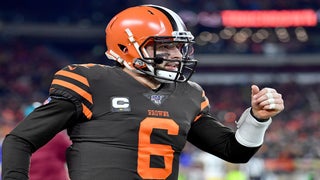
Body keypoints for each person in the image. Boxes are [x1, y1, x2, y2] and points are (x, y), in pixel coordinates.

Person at [1, 4, 284, 180]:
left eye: (178, 46)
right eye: (164, 46)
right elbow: (19, 140)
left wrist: (257, 119)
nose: (175, 54)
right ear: (126, 48)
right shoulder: (90, 81)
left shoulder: (189, 94)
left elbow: (234, 152)